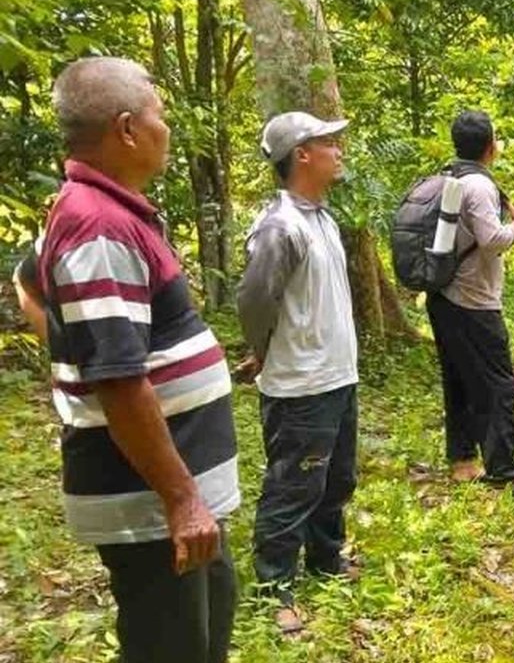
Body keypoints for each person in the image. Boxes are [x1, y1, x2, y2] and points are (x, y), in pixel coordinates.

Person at [36, 57, 240, 663]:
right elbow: (120, 382)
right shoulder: (97, 226)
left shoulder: (106, 213)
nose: (167, 128)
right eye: (160, 115)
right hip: (151, 506)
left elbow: (32, 285)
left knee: (207, 627)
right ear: (127, 129)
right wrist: (182, 499)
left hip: (170, 498)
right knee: (170, 646)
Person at [235, 111, 361, 634]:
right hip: (300, 384)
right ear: (301, 155)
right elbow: (254, 300)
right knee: (293, 485)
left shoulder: (323, 219)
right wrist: (261, 351)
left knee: (336, 478)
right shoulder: (279, 227)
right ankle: (274, 583)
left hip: (336, 375)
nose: (338, 149)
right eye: (328, 142)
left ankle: (327, 557)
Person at [425, 110, 514, 491]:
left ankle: (462, 461)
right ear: (490, 146)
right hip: (473, 301)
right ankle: (504, 470)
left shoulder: (449, 177)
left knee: (459, 380)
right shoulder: (478, 186)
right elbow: (492, 241)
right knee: (498, 386)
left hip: (443, 296)